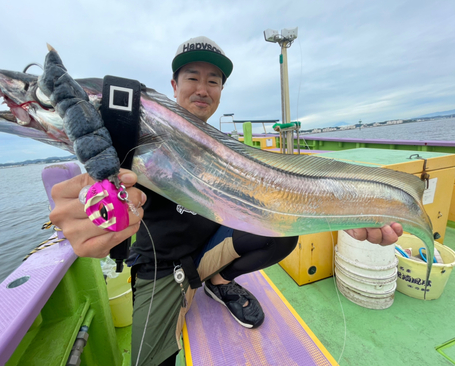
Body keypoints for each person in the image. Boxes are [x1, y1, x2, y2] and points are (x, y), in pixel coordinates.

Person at [50, 36, 403, 366]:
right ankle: (196, 287)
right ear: (173, 86)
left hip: (209, 247)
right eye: (192, 77)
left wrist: (344, 212)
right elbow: (105, 185)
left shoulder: (227, 146)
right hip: (161, 266)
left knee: (282, 233)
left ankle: (218, 282)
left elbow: (272, 199)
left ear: (221, 91)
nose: (203, 89)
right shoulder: (133, 137)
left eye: (213, 81)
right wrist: (94, 213)